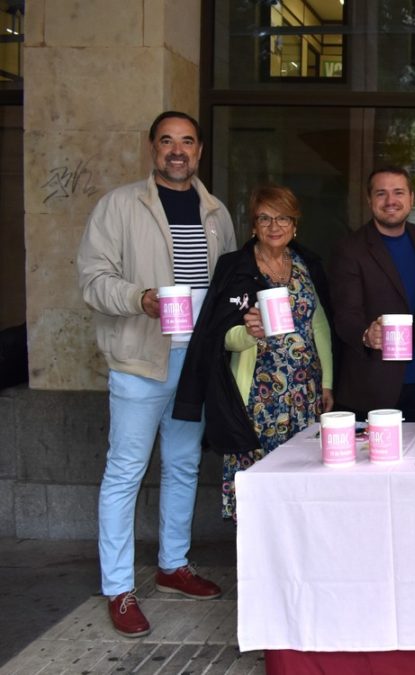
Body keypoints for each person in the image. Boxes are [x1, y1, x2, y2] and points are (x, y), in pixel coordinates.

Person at [76, 111, 232, 638]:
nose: (176, 150)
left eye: (186, 141)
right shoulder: (120, 206)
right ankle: (119, 589)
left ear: (200, 151)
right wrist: (138, 298)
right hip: (142, 359)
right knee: (125, 472)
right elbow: (93, 279)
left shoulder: (216, 212)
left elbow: (228, 283)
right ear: (152, 148)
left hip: (197, 363)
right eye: (166, 141)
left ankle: (173, 566)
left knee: (185, 464)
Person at [174, 184, 334, 521]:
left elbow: (319, 325)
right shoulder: (236, 268)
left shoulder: (307, 265)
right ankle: (256, 565)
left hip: (303, 397)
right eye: (265, 218)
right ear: (253, 225)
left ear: (295, 224)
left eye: (283, 218)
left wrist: (327, 383)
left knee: (300, 481)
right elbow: (221, 337)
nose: (274, 226)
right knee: (257, 484)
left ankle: (295, 561)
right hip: (257, 398)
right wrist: (249, 333)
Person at [330, 166, 415, 420]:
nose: (391, 201)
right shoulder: (350, 249)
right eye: (381, 193)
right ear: (369, 200)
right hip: (375, 386)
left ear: (411, 198)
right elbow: (345, 314)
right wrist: (365, 334)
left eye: (398, 192)